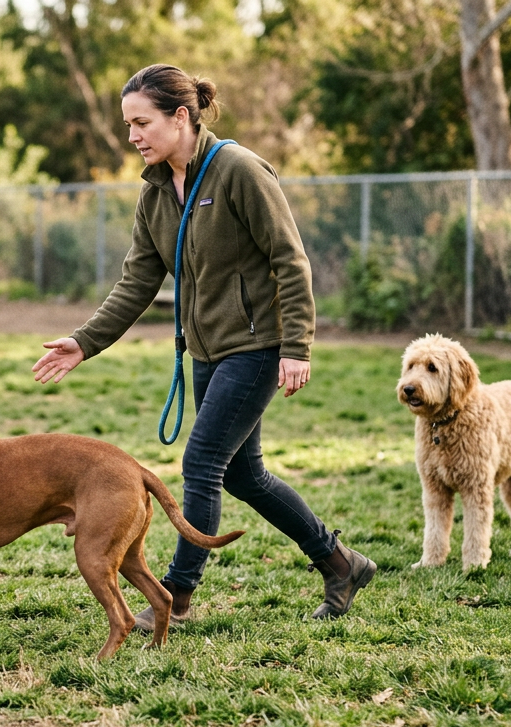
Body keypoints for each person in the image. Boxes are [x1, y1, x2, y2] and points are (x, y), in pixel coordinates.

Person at [31, 64, 376, 625]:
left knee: (202, 463)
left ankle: (177, 594)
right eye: (128, 126)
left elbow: (290, 260)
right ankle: (340, 564)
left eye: (142, 122)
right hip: (207, 353)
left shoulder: (238, 170)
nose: (133, 136)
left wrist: (297, 346)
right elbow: (137, 281)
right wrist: (83, 342)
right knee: (244, 475)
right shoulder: (154, 195)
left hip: (258, 345)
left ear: (181, 116)